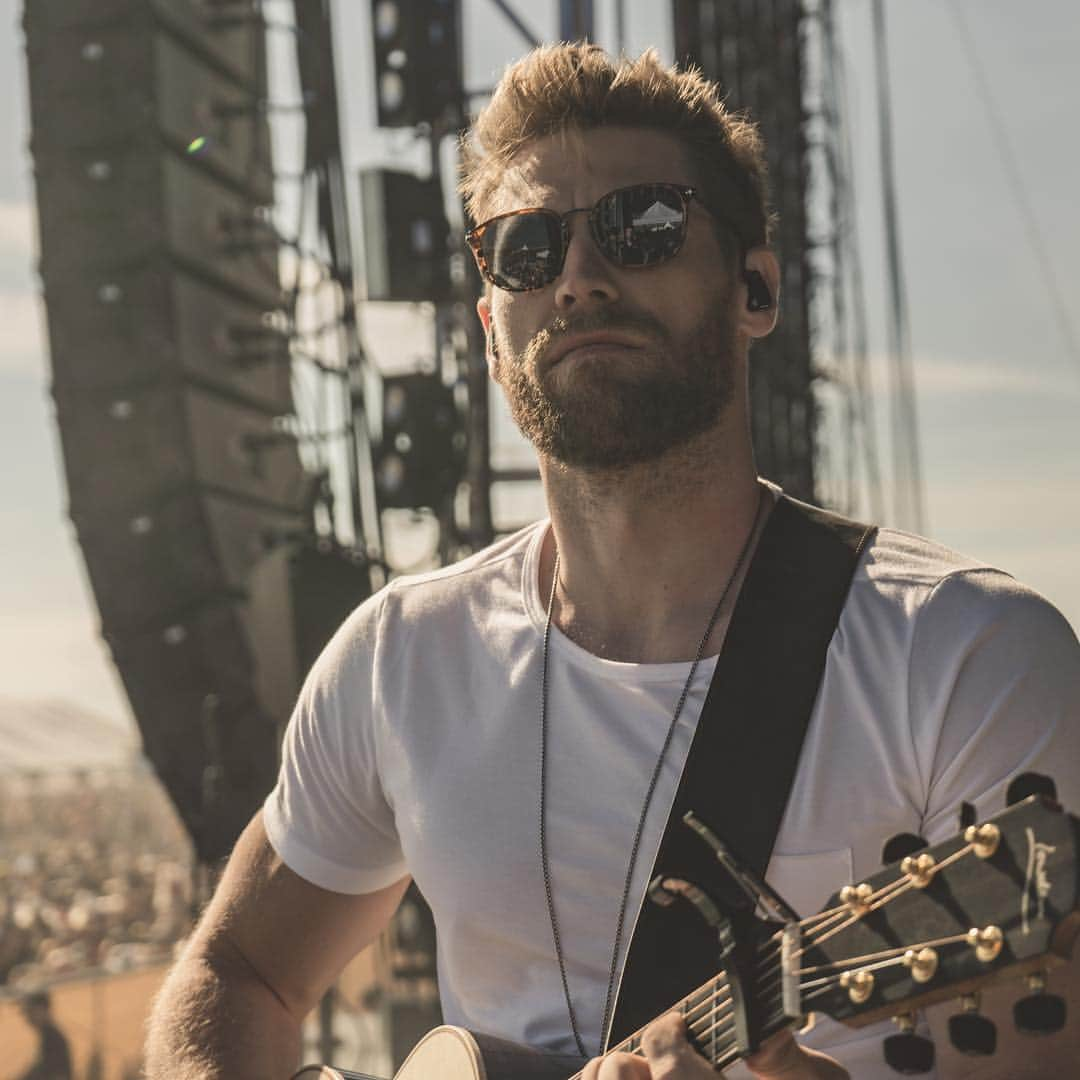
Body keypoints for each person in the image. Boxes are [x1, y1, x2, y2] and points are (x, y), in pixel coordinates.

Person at [144, 44, 1079, 1079]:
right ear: (493, 331)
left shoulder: (967, 657)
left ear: (755, 287)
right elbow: (235, 970)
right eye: (527, 249)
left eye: (646, 227)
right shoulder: (398, 661)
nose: (581, 277)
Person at [18, 990, 73, 1080]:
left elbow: (59, 1076)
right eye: (26, 1012)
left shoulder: (54, 1039)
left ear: (43, 1009)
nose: (27, 1017)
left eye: (30, 1011)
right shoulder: (47, 1036)